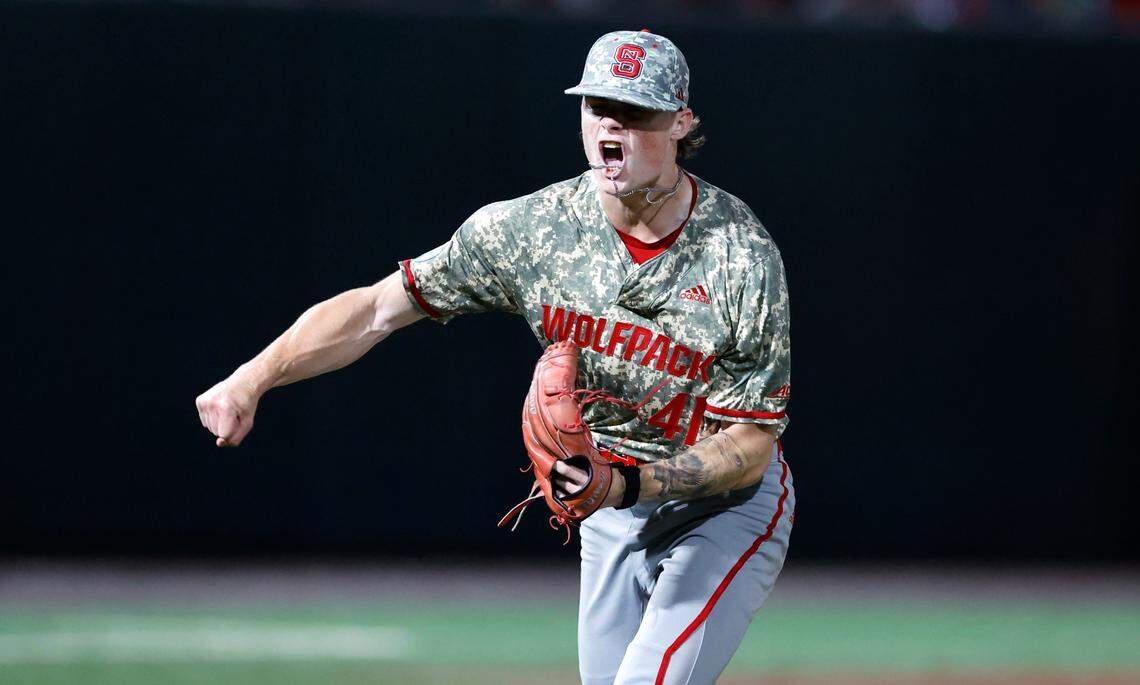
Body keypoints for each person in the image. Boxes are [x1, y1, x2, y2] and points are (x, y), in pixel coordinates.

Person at [196, 28, 795, 685]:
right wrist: (251, 378)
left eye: (638, 112)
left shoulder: (740, 251)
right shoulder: (532, 231)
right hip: (603, 498)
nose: (613, 127)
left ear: (682, 122)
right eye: (599, 107)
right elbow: (374, 309)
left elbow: (749, 442)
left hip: (723, 506)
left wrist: (629, 484)